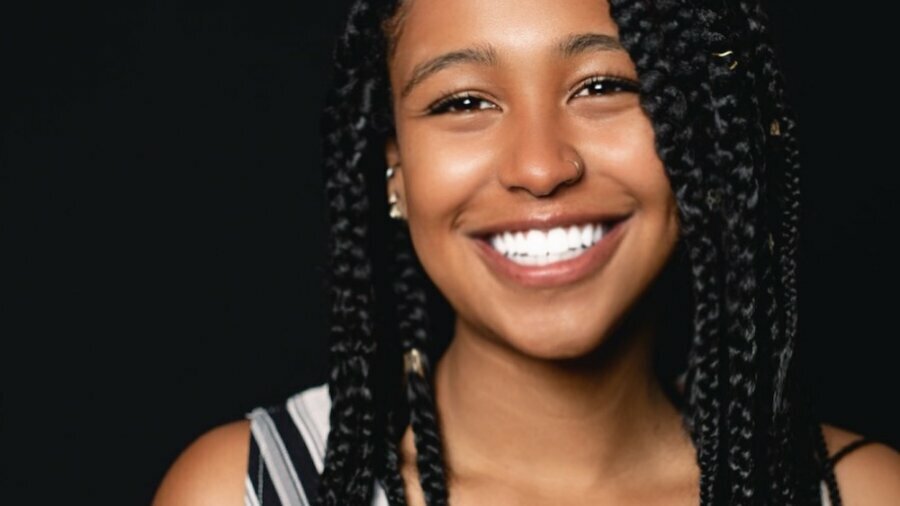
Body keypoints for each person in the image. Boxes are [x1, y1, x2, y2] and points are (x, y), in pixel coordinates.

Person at [152, 0, 900, 504]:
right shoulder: (252, 488)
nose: (541, 167)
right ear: (395, 172)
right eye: (464, 102)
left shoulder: (859, 493)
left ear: (702, 137)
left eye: (606, 85)